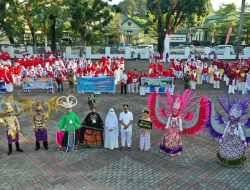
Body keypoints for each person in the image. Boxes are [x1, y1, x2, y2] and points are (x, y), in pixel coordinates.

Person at [148, 89, 210, 156]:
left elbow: (180, 124)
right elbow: (168, 122)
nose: (174, 112)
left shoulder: (179, 117)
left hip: (176, 130)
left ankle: (174, 151)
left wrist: (180, 129)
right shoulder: (170, 116)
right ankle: (166, 149)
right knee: (166, 138)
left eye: (175, 111)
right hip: (170, 129)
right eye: (174, 111)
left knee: (176, 139)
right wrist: (166, 127)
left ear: (178, 111)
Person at [207, 93, 250, 166]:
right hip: (227, 139)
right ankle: (225, 160)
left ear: (236, 119)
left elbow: (241, 133)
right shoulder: (228, 124)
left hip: (236, 141)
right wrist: (222, 137)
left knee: (235, 151)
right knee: (225, 149)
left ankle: (235, 161)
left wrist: (243, 141)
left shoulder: (238, 126)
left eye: (234, 119)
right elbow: (225, 131)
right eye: (231, 119)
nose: (232, 120)